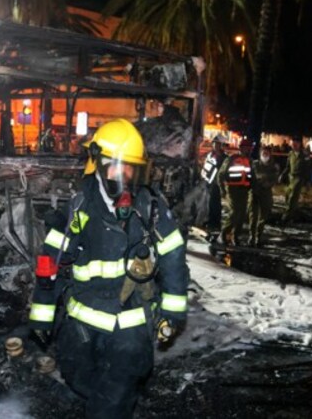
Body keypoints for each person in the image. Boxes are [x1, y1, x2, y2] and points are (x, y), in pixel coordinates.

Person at [29, 119, 189, 419]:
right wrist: (42, 317)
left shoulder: (150, 208)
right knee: (82, 381)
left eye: (131, 169)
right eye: (117, 167)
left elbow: (173, 256)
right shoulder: (78, 208)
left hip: (129, 329)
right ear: (99, 166)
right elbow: (49, 265)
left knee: (111, 399)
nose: (124, 177)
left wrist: (172, 312)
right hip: (82, 326)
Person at [218, 138, 255, 246]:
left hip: (244, 191)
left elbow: (252, 177)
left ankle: (235, 236)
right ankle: (223, 234)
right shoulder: (231, 159)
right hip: (232, 190)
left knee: (242, 215)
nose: (247, 150)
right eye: (245, 148)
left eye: (249, 149)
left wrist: (255, 189)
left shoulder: (250, 161)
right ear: (241, 148)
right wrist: (223, 190)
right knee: (234, 213)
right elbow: (220, 175)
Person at [250, 146, 278, 247]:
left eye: (267, 152)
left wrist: (268, 183)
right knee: (253, 216)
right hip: (255, 193)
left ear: (270, 154)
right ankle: (251, 237)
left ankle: (258, 236)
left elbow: (275, 179)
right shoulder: (255, 164)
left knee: (263, 217)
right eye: (263, 152)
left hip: (266, 194)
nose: (265, 154)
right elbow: (251, 177)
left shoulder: (273, 166)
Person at [200, 135, 227, 232]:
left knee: (216, 204)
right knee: (207, 203)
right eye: (214, 143)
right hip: (208, 183)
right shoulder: (209, 155)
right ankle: (209, 220)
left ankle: (216, 223)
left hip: (217, 184)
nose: (216, 145)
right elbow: (205, 168)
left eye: (218, 144)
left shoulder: (224, 158)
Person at [279, 137, 307, 223]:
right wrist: (282, 175)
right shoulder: (291, 154)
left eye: (296, 143)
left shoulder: (304, 154)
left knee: (293, 197)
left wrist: (308, 181)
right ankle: (294, 215)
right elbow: (288, 167)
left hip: (299, 178)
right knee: (288, 196)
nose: (294, 145)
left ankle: (286, 217)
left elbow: (308, 168)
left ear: (300, 144)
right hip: (290, 177)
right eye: (293, 143)